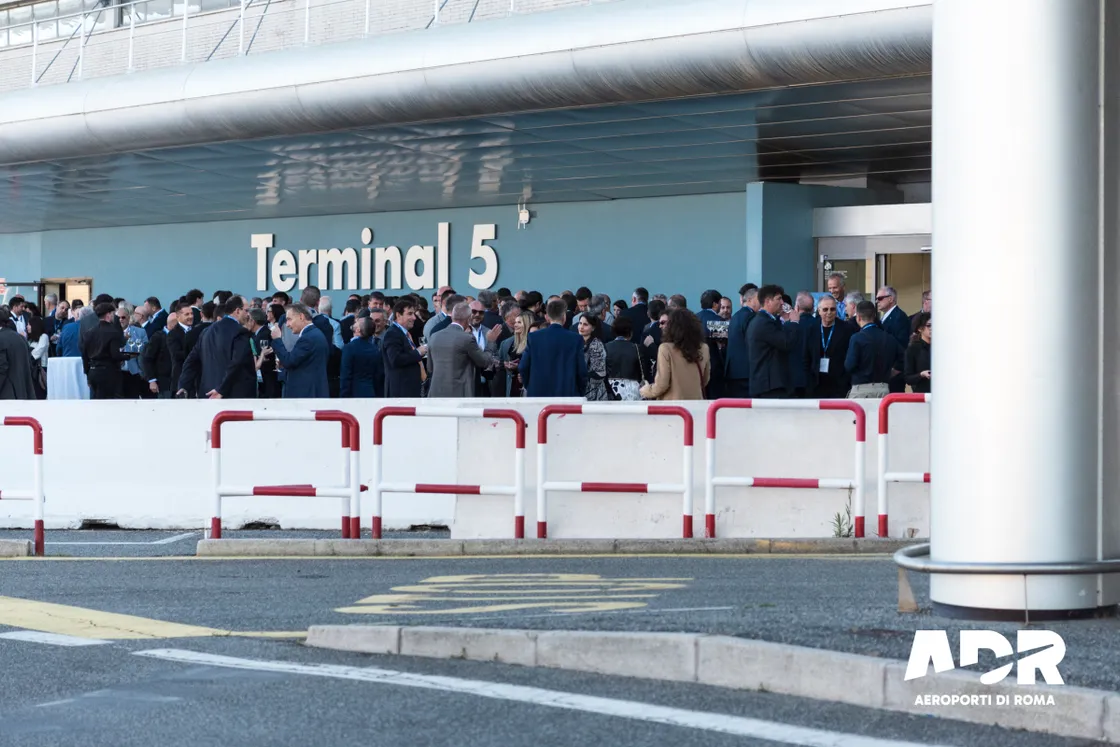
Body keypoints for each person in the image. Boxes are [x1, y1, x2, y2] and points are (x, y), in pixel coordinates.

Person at [519, 298, 587, 398]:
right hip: (568, 396)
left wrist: (530, 386)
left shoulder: (534, 338)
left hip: (538, 395)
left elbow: (523, 367)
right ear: (564, 316)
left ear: (548, 317)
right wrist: (579, 392)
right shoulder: (575, 339)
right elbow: (582, 372)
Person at [427, 303, 498, 398]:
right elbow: (484, 362)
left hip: (436, 393)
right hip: (459, 394)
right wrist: (490, 342)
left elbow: (430, 367)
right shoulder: (467, 339)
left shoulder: (434, 336)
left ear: (452, 316)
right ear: (468, 319)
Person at [640, 307, 710, 401]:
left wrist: (646, 390)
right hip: (696, 403)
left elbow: (662, 384)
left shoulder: (665, 349)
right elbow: (705, 380)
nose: (660, 326)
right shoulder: (704, 348)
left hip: (673, 407)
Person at [746, 284, 802, 398]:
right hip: (771, 386)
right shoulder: (764, 323)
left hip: (771, 384)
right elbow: (786, 343)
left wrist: (785, 322)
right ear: (768, 301)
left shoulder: (764, 321)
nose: (782, 302)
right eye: (778, 299)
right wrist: (794, 322)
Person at [268, 303, 329, 398]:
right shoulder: (314, 333)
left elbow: (289, 361)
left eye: (289, 319)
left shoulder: (308, 338)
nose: (287, 325)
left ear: (301, 317)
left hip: (306, 394)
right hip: (311, 392)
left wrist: (277, 339)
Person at [845, 300, 903, 398]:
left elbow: (849, 365)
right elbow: (903, 360)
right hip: (883, 389)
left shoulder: (857, 338)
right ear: (874, 316)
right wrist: (891, 372)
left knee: (859, 413)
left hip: (861, 389)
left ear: (858, 317)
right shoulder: (889, 338)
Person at [803, 295, 853, 399]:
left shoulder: (846, 329)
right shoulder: (810, 328)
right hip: (815, 384)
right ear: (819, 310)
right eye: (825, 309)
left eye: (832, 309)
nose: (829, 313)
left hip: (838, 385)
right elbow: (805, 356)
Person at [382, 298, 428, 398]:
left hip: (408, 390)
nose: (414, 318)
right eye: (410, 314)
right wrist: (417, 353)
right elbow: (395, 359)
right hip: (400, 392)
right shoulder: (392, 334)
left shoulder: (404, 333)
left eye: (414, 314)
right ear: (398, 315)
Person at [84, 302, 128, 399]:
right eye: (113, 314)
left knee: (96, 401)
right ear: (108, 315)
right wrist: (127, 356)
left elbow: (84, 355)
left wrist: (87, 372)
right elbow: (115, 355)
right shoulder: (113, 332)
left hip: (93, 371)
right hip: (109, 372)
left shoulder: (89, 333)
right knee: (112, 402)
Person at [340, 317, 385, 398]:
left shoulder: (349, 348)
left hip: (353, 395)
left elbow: (346, 376)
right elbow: (378, 376)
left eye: (357, 322)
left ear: (358, 330)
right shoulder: (375, 349)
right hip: (371, 393)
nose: (355, 322)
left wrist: (343, 397)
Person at [604, 316, 645, 401]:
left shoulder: (606, 347)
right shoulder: (637, 348)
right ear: (630, 332)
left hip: (611, 388)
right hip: (633, 390)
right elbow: (644, 370)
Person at [0, 309, 35, 400]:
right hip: (24, 392)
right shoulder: (20, 337)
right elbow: (30, 364)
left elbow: (2, 368)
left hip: (6, 394)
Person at [498, 310, 533, 397]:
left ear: (527, 325)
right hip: (511, 385)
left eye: (519, 322)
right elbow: (499, 360)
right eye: (515, 322)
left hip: (527, 385)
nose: (515, 325)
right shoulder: (507, 343)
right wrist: (505, 364)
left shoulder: (533, 343)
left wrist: (519, 367)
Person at [904, 312, 931, 394]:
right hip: (922, 395)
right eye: (929, 326)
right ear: (920, 328)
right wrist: (921, 374)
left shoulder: (941, 347)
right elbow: (908, 378)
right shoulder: (913, 349)